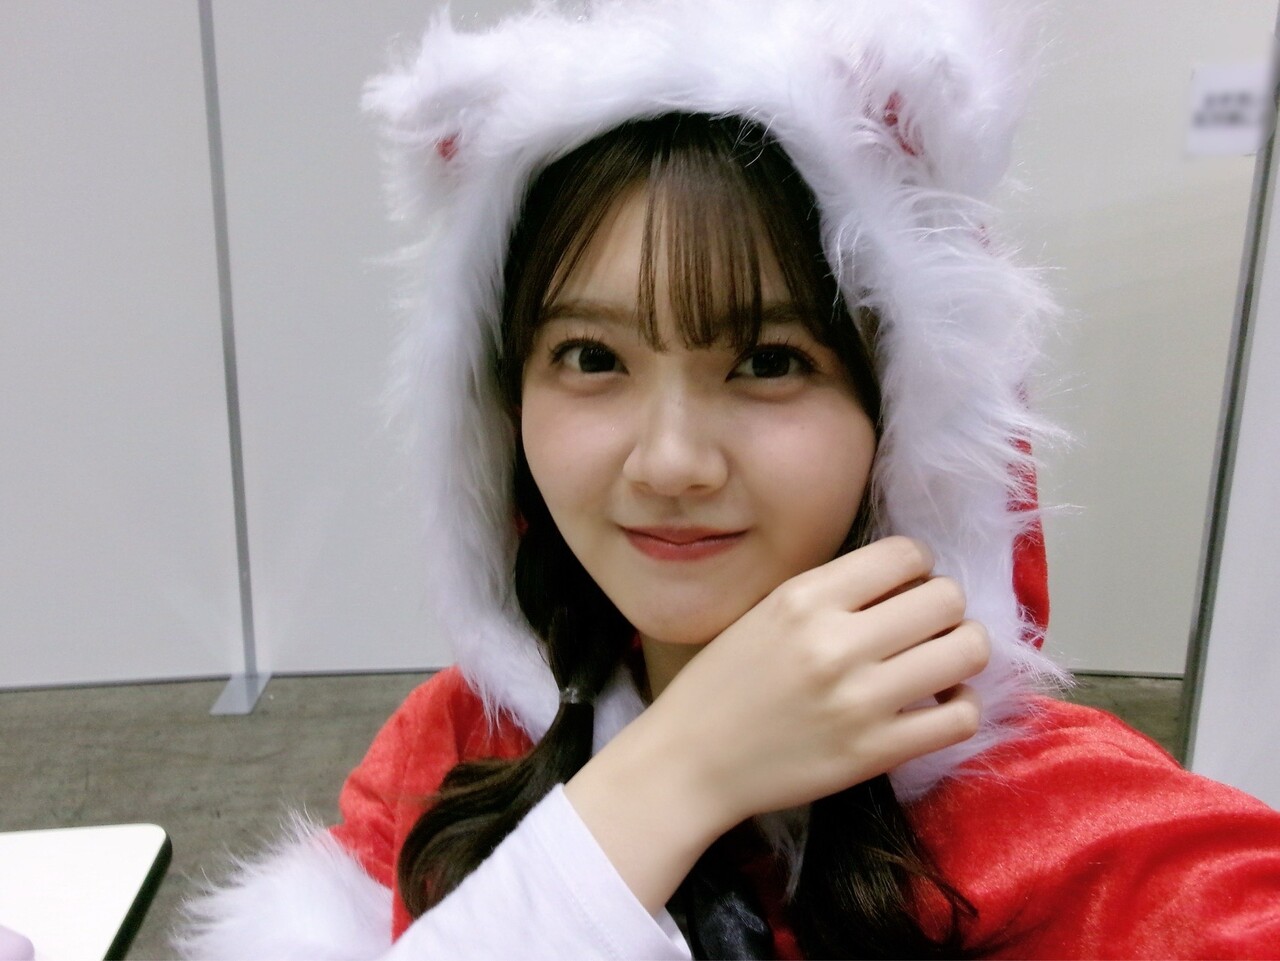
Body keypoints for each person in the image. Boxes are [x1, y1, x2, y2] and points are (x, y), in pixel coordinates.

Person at [176, 1, 1280, 958]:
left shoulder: (1068, 827)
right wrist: (684, 766)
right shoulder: (465, 737)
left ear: (903, 413)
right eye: (591, 357)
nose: (669, 462)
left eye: (766, 362)